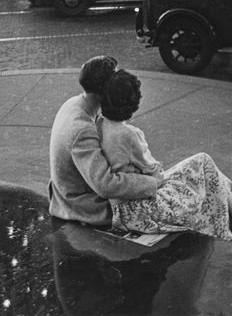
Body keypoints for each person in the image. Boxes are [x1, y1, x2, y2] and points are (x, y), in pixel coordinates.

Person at [97, 69, 232, 242]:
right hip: (143, 209)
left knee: (200, 164)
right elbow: (155, 173)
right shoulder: (129, 134)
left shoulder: (100, 124)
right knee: (202, 163)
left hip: (122, 210)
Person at [48, 56, 160, 227]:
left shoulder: (74, 104)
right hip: (85, 207)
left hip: (66, 194)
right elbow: (105, 185)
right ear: (103, 90)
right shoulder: (82, 129)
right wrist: (151, 183)